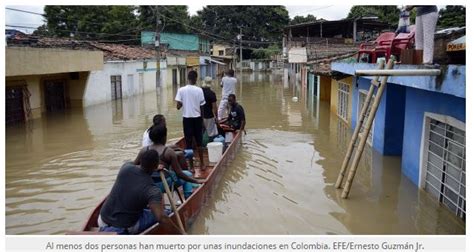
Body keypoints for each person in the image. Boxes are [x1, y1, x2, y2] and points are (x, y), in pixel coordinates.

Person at [98, 150, 182, 234]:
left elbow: (134, 163)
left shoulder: (125, 168)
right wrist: (181, 235)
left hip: (102, 220)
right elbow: (161, 218)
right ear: (156, 165)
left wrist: (153, 167)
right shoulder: (152, 190)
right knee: (167, 213)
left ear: (141, 161)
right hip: (126, 227)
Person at [134, 124, 205, 199]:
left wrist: (151, 168)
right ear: (164, 137)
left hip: (148, 183)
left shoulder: (144, 150)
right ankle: (188, 198)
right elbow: (179, 173)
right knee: (188, 174)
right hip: (165, 185)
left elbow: (133, 166)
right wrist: (195, 181)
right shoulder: (169, 152)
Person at [175, 70, 206, 171]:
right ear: (196, 79)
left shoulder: (181, 90)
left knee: (188, 144)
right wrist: (203, 121)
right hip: (197, 119)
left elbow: (178, 107)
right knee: (199, 143)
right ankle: (202, 164)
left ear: (187, 78)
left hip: (187, 119)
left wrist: (182, 102)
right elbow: (202, 108)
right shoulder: (199, 90)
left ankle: (191, 167)